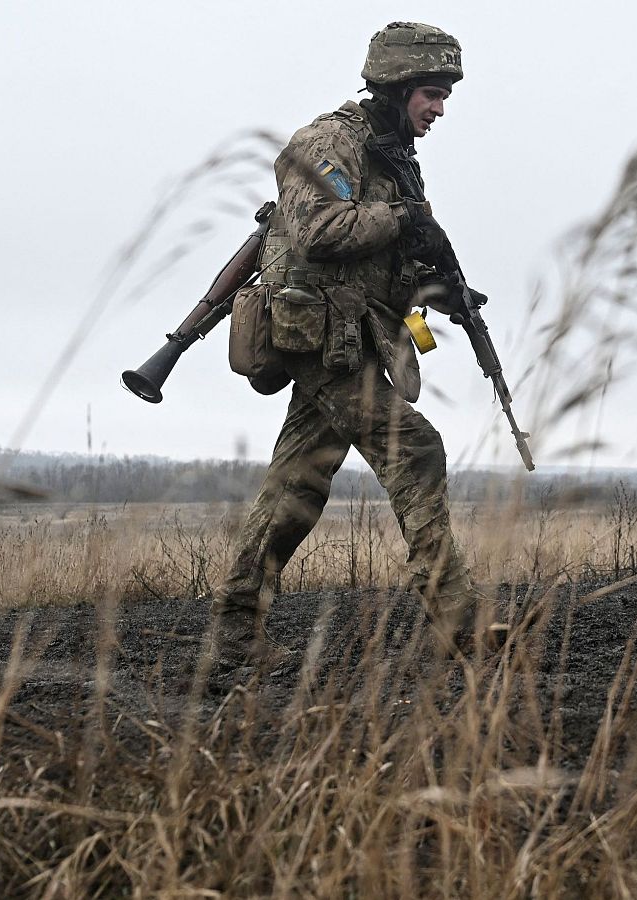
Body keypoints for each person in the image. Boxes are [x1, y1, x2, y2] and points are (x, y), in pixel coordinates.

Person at [208, 22, 485, 671]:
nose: (439, 107)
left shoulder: (391, 156)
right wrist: (405, 218)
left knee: (297, 484)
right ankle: (460, 621)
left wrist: (439, 291)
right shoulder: (331, 140)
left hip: (351, 337)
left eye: (445, 94)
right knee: (415, 449)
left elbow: (379, 261)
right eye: (431, 92)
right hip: (316, 338)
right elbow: (319, 231)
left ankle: (235, 633)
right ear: (395, 85)